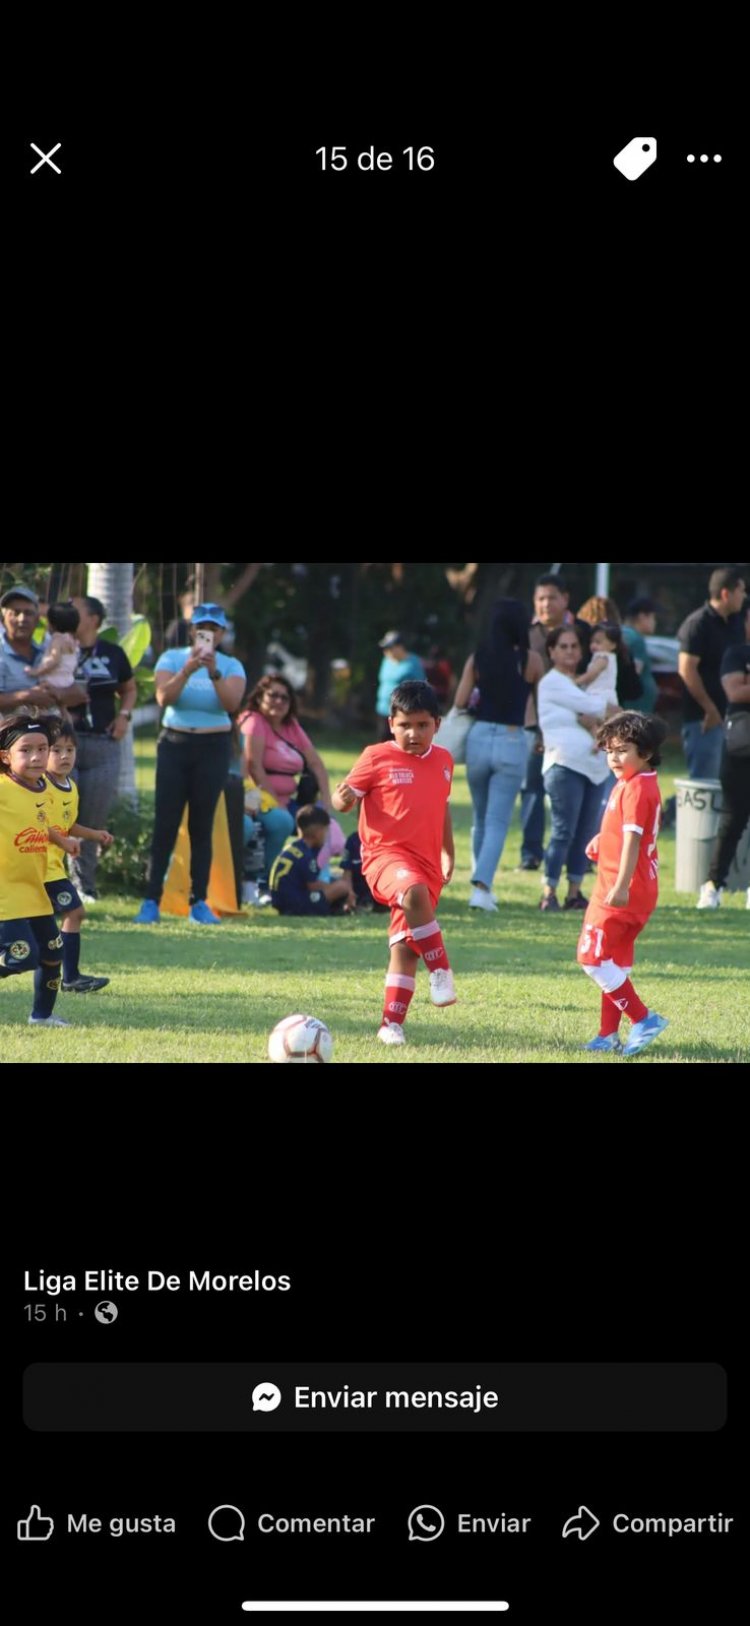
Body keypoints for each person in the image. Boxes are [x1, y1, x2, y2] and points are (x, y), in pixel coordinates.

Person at [332, 680, 456, 1047]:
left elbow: (442, 807)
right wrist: (341, 799)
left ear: (437, 724)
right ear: (391, 724)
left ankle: (391, 1025)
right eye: (405, 725)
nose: (413, 733)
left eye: (422, 725)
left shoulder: (444, 761)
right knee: (412, 893)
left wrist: (448, 852)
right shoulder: (375, 757)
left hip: (427, 864)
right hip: (385, 858)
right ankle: (441, 970)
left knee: (406, 945)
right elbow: (343, 801)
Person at [134, 604, 246, 925]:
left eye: (214, 628)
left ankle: (199, 901)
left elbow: (230, 704)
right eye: (202, 628)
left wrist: (213, 672)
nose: (207, 633)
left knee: (201, 825)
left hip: (213, 747)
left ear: (222, 633)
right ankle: (151, 900)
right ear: (192, 630)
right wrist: (187, 670)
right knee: (165, 824)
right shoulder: (172, 659)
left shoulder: (231, 665)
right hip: (175, 745)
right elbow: (163, 698)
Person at [576, 711, 669, 1057]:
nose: (614, 758)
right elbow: (628, 830)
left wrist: (621, 885)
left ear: (646, 752)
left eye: (623, 750)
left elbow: (634, 839)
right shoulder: (634, 781)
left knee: (592, 958)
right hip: (637, 888)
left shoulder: (637, 788)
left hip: (621, 890)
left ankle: (643, 1019)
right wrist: (604, 840)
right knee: (612, 962)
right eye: (609, 751)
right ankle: (607, 1035)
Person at [454, 599, 543, 910]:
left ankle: (481, 884)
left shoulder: (478, 657)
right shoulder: (530, 660)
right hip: (511, 737)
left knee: (480, 818)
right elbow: (541, 704)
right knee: (497, 820)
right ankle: (481, 888)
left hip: (478, 737)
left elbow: (460, 700)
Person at [0, 713, 80, 1027]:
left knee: (52, 954)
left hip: (34, 890)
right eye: (26, 750)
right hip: (5, 893)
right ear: (5, 756)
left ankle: (42, 1016)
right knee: (22, 957)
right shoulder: (3, 788)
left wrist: (63, 840)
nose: (36, 756)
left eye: (42, 748)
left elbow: (41, 824)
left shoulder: (44, 788)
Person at [537, 626, 616, 911]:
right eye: (563, 646)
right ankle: (549, 892)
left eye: (574, 646)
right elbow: (596, 706)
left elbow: (599, 709)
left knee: (585, 834)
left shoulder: (581, 683)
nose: (570, 651)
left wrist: (604, 713)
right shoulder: (552, 682)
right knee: (563, 831)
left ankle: (574, 892)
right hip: (564, 765)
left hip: (594, 768)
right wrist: (610, 711)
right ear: (551, 651)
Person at [66, 595, 137, 903]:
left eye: (75, 611)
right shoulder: (58, 649)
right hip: (64, 745)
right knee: (59, 813)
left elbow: (129, 688)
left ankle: (85, 886)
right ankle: (53, 884)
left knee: (92, 819)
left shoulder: (112, 653)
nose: (68, 615)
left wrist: (124, 716)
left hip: (103, 745)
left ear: (93, 619)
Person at [519, 574, 591, 870]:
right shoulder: (526, 634)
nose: (545, 604)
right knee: (532, 787)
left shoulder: (583, 632)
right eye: (540, 599)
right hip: (534, 720)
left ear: (565, 599)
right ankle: (531, 853)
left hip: (578, 722)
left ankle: (579, 855)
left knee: (579, 788)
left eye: (551, 597)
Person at [239, 675, 334, 879]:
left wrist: (326, 802)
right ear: (260, 697)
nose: (279, 701)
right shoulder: (254, 721)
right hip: (257, 800)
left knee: (324, 822)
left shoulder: (292, 726)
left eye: (285, 698)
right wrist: (275, 802)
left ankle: (318, 880)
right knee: (282, 821)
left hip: (288, 801)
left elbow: (316, 764)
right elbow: (254, 766)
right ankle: (266, 878)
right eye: (273, 695)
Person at [44, 720, 113, 992]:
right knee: (71, 913)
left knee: (72, 913)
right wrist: (62, 841)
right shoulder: (39, 787)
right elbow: (37, 824)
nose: (64, 756)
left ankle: (70, 977)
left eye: (70, 750)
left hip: (53, 869)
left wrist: (94, 834)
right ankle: (69, 978)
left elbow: (67, 824)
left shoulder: (70, 787)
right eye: (56, 750)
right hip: (35, 869)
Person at [697, 596, 750, 910]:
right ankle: (713, 885)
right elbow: (735, 691)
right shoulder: (737, 653)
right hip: (741, 747)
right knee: (732, 820)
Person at [677, 566, 746, 780]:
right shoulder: (698, 624)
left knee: (731, 786)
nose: (744, 596)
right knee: (706, 783)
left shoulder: (734, 624)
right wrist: (710, 709)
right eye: (741, 590)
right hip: (705, 720)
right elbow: (686, 669)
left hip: (733, 719)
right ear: (726, 593)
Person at [0, 584, 88, 717]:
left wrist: (57, 693)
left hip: (49, 727)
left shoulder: (48, 650)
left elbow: (79, 694)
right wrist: (26, 696)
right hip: (9, 729)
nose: (22, 619)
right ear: (3, 619)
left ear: (38, 619)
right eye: (15, 613)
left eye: (28, 613)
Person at [269, 805, 356, 916]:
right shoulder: (306, 856)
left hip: (280, 902)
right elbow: (314, 887)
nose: (326, 836)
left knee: (335, 883)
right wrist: (342, 889)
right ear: (318, 832)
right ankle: (341, 908)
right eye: (326, 831)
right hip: (295, 905)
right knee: (342, 887)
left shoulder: (292, 848)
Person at [576, 595, 642, 705]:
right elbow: (634, 690)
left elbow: (589, 676)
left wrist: (573, 682)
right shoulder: (622, 652)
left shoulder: (594, 654)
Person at [375, 632, 426, 740]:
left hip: (402, 712)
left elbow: (421, 687)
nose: (386, 651)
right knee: (383, 742)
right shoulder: (386, 661)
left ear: (400, 647)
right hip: (383, 709)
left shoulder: (413, 663)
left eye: (390, 648)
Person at [25, 601, 80, 693]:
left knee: (32, 692)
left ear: (52, 624)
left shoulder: (57, 639)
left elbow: (54, 660)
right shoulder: (72, 640)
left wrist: (36, 671)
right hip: (67, 680)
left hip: (53, 680)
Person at [622, 597, 659, 714]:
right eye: (653, 617)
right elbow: (633, 675)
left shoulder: (622, 634)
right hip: (636, 710)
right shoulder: (636, 640)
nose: (655, 622)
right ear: (642, 617)